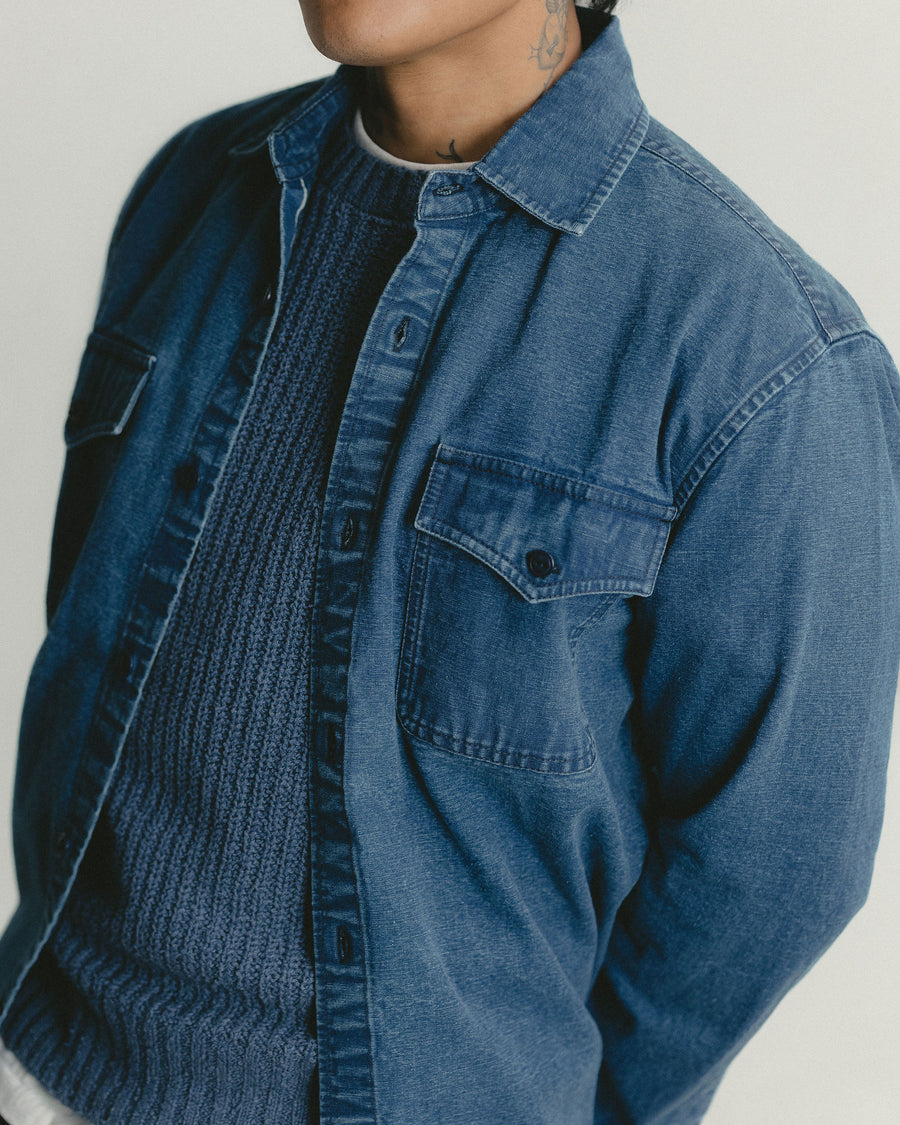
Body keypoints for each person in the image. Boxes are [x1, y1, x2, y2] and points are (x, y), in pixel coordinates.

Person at [0, 1, 898, 1122]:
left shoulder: (766, 355)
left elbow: (773, 873)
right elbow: (88, 629)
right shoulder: (194, 186)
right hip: (39, 1053)